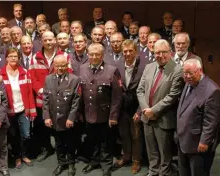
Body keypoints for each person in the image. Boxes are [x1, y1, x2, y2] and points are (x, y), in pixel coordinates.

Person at [137, 39, 184, 176]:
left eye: (164, 52)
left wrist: (153, 111)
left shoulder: (177, 70)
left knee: (165, 152)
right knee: (151, 149)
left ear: (170, 52)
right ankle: (153, 171)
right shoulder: (149, 67)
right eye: (157, 52)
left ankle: (164, 173)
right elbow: (140, 90)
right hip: (147, 117)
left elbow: (172, 96)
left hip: (163, 118)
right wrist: (146, 110)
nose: (160, 55)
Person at [79, 43, 122, 176]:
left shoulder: (111, 70)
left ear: (102, 55)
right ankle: (94, 161)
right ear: (88, 54)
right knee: (92, 139)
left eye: (97, 54)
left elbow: (116, 97)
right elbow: (81, 93)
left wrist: (113, 116)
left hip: (105, 113)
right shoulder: (82, 68)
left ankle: (106, 165)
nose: (94, 57)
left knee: (106, 141)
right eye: (91, 54)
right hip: (88, 112)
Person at [29, 31, 69, 162]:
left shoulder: (64, 55)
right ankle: (48, 148)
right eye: (46, 40)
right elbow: (32, 77)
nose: (48, 42)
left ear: (55, 40)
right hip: (42, 99)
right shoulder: (35, 57)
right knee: (43, 127)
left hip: (60, 99)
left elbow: (69, 75)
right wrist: (41, 90)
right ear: (42, 41)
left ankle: (63, 150)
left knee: (61, 126)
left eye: (51, 39)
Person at [177, 59, 220, 176]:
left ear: (200, 71)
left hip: (198, 144)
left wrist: (204, 141)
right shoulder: (189, 82)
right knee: (184, 172)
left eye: (190, 73)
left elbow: (211, 121)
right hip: (184, 139)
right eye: (185, 73)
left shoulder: (212, 90)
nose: (187, 76)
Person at [43, 55, 81, 176]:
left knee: (70, 142)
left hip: (67, 118)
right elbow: (45, 100)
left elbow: (76, 101)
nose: (60, 68)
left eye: (63, 65)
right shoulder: (48, 79)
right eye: (57, 65)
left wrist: (71, 118)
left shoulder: (74, 79)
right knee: (58, 143)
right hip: (54, 118)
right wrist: (47, 116)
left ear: (67, 65)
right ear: (54, 65)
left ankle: (71, 164)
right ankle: (61, 163)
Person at [0, 48, 36, 169]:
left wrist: (31, 110)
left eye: (15, 56)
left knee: (26, 134)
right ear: (6, 58)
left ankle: (24, 154)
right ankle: (17, 157)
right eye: (11, 56)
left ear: (19, 58)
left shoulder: (25, 72)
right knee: (14, 136)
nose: (13, 58)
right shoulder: (0, 74)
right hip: (9, 112)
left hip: (23, 109)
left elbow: (30, 93)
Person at [114, 40, 146, 174]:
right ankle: (126, 156)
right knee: (124, 134)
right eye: (125, 51)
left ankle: (136, 161)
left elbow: (145, 91)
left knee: (136, 136)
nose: (127, 54)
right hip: (122, 108)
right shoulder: (118, 66)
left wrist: (140, 111)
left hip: (136, 107)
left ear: (136, 52)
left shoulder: (144, 67)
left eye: (130, 51)